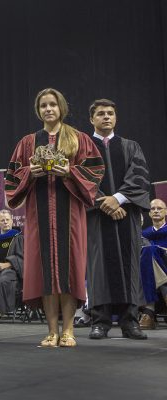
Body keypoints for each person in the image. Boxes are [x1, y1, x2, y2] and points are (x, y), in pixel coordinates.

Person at [5, 88, 104, 347]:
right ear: (38, 111)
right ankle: (51, 330)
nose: (48, 109)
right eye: (43, 106)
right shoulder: (27, 142)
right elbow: (12, 177)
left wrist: (70, 171)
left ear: (61, 108)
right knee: (45, 272)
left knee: (69, 271)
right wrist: (31, 173)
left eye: (52, 105)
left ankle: (69, 330)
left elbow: (95, 171)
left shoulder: (78, 138)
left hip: (70, 214)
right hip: (39, 216)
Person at [85, 98, 150, 340]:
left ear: (116, 117)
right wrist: (106, 204)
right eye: (100, 113)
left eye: (110, 113)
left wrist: (119, 199)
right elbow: (80, 182)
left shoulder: (131, 146)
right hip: (97, 219)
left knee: (129, 265)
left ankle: (130, 322)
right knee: (98, 267)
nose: (106, 117)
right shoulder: (83, 148)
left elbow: (140, 178)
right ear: (92, 119)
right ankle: (99, 322)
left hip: (127, 216)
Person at [139, 199, 167, 329]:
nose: (156, 210)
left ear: (165, 212)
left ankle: (149, 310)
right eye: (153, 209)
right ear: (149, 213)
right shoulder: (144, 234)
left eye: (159, 208)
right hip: (149, 270)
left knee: (150, 250)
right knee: (149, 251)